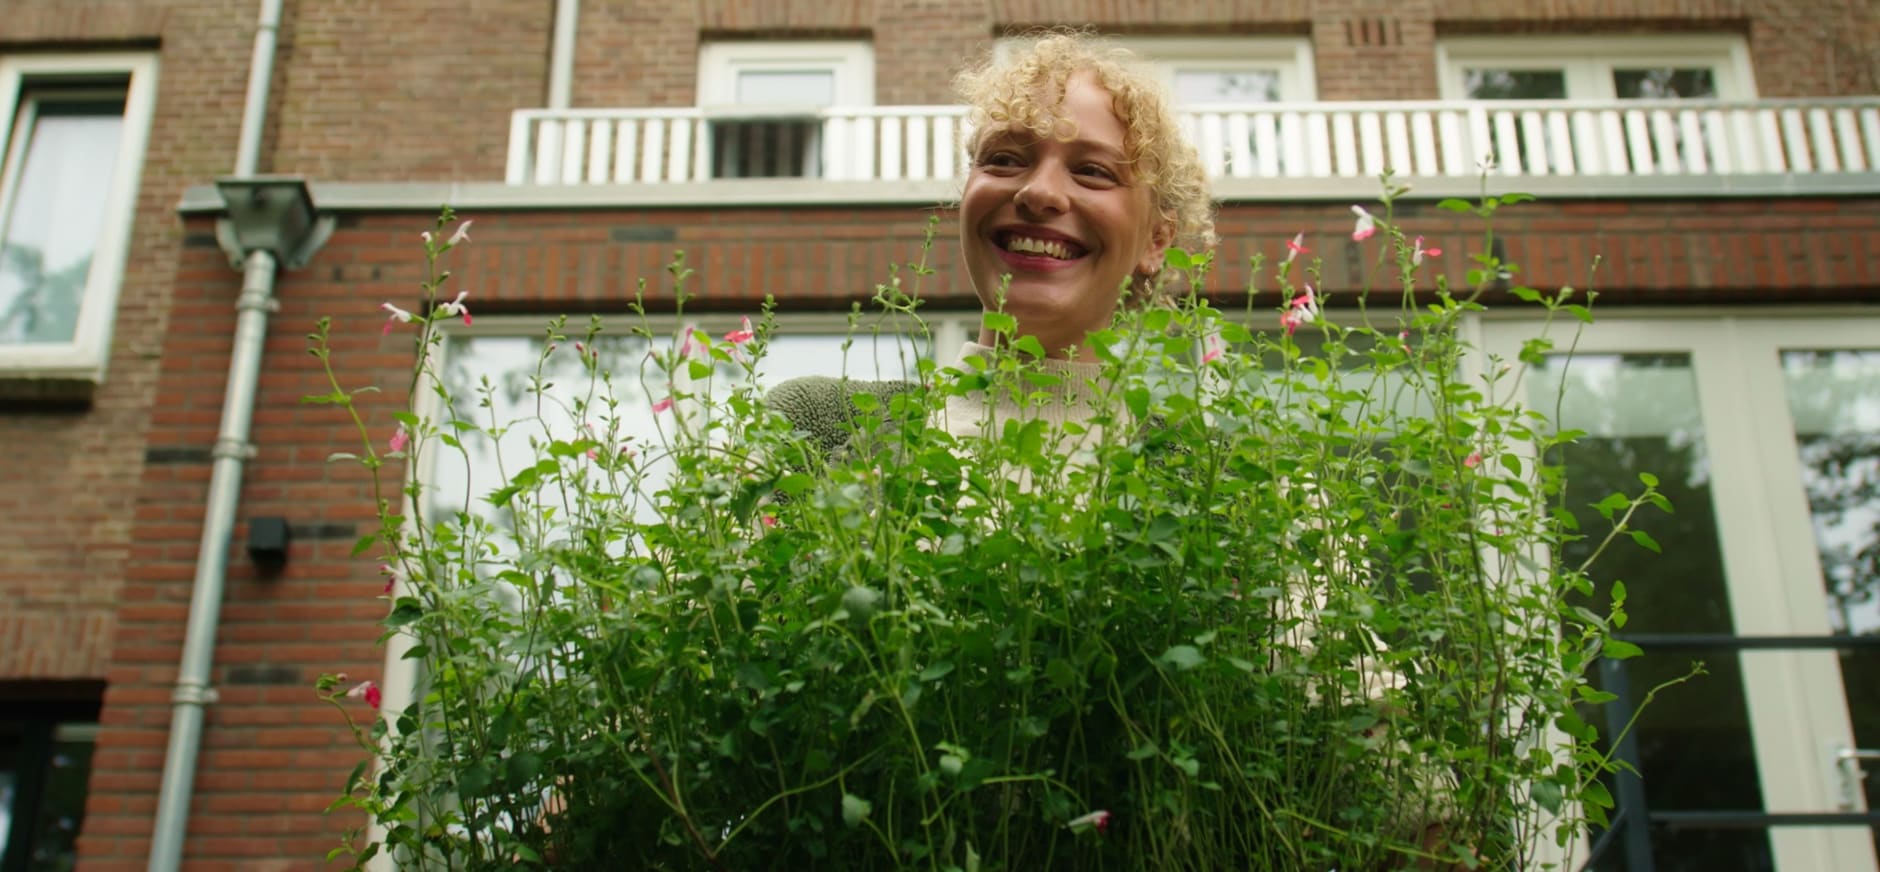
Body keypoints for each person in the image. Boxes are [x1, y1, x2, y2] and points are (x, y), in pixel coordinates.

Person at [767, 31, 1466, 870]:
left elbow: (1408, 808)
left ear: (1158, 239)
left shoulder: (1246, 496)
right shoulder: (821, 427)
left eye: (1092, 172)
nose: (1037, 192)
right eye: (1005, 158)